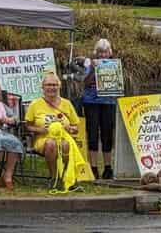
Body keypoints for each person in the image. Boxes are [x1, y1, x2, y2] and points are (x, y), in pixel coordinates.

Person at [25, 72, 80, 186]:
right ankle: (53, 177)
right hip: (43, 139)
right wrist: (39, 130)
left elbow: (76, 127)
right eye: (49, 85)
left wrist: (70, 128)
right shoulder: (35, 104)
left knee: (65, 145)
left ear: (59, 86)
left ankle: (66, 177)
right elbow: (27, 125)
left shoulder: (67, 103)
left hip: (64, 137)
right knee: (51, 144)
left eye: (54, 85)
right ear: (43, 87)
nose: (52, 88)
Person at [82, 38, 116, 180]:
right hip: (91, 101)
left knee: (107, 133)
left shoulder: (115, 64)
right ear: (96, 52)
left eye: (105, 52)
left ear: (109, 52)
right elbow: (84, 81)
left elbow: (118, 83)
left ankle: (108, 167)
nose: (103, 55)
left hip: (108, 101)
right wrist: (93, 69)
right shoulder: (89, 63)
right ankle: (93, 167)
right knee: (93, 133)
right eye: (100, 52)